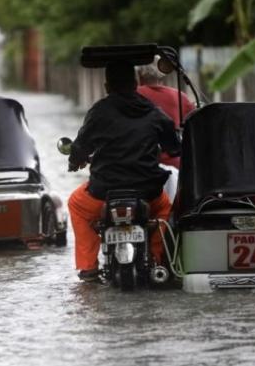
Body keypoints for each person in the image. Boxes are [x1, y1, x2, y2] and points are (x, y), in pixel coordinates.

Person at [67, 61, 181, 281]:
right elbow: (174, 146)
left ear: (107, 86)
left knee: (75, 204)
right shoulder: (153, 112)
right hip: (147, 191)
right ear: (136, 84)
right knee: (165, 208)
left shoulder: (99, 111)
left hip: (103, 193)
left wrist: (75, 161)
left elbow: (81, 146)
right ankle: (157, 259)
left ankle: (89, 267)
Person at [136, 60, 196, 169]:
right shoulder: (180, 96)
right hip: (176, 166)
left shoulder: (133, 95)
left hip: (142, 166)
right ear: (161, 73)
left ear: (139, 75)